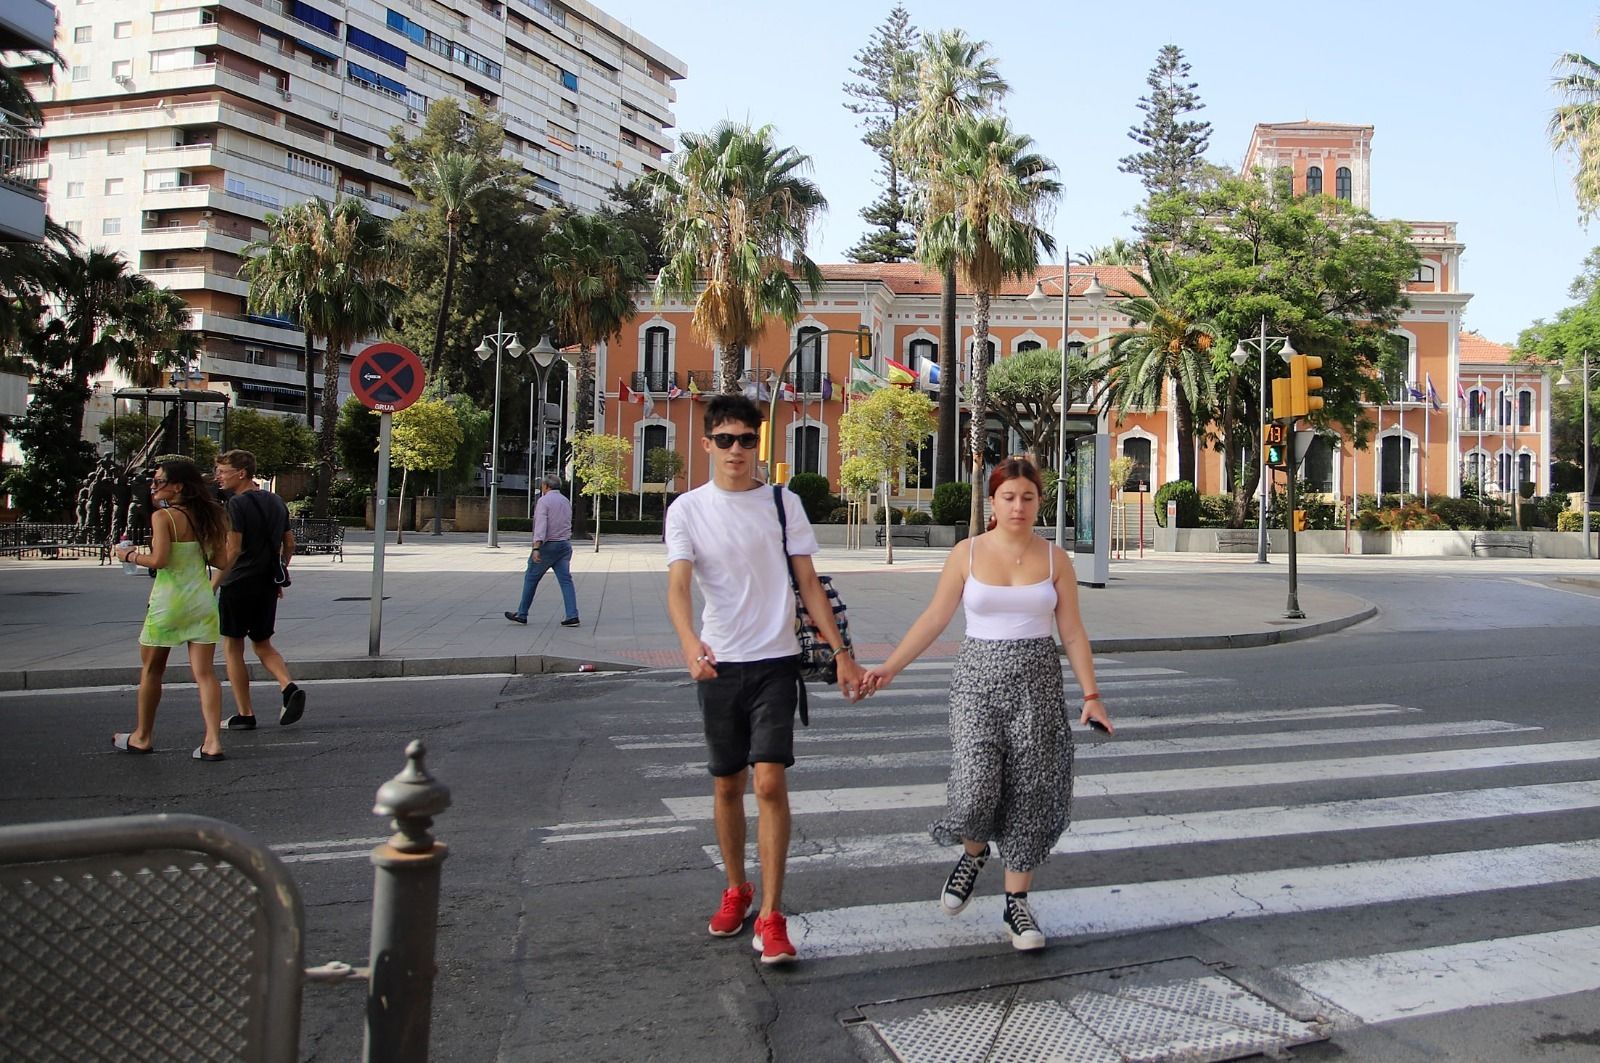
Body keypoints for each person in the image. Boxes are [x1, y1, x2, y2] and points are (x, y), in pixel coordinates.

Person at [861, 456, 1114, 952]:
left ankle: (1016, 904)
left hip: (1037, 686)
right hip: (976, 684)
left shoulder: (1055, 560)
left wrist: (1091, 696)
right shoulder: (967, 554)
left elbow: (1073, 631)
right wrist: (891, 667)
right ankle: (973, 854)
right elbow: (936, 617)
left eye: (1027, 497)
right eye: (1008, 497)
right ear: (992, 501)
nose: (1018, 506)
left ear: (1040, 501)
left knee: (1031, 793)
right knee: (977, 788)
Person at [666, 394, 865, 965]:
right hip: (720, 663)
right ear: (707, 444)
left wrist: (842, 653)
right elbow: (679, 585)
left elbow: (808, 583)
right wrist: (687, 644)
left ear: (760, 444)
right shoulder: (688, 509)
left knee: (770, 782)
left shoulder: (784, 504)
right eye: (725, 440)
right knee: (727, 783)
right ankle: (737, 889)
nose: (736, 450)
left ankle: (773, 916)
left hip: (776, 663)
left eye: (746, 440)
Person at [112, 458, 230, 761]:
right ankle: (213, 742)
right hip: (202, 602)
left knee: (152, 671)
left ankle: (142, 736)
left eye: (159, 481)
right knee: (205, 674)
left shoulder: (164, 517)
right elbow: (222, 561)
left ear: (178, 486)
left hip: (168, 603)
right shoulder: (212, 515)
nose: (154, 485)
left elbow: (160, 560)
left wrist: (129, 555)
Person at [211, 450, 305, 729]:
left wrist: (213, 584)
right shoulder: (277, 502)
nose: (219, 476)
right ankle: (287, 686)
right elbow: (289, 544)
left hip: (238, 583)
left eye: (223, 471)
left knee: (232, 647)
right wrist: (278, 572)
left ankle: (245, 714)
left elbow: (234, 548)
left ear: (241, 473)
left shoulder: (236, 505)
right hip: (266, 585)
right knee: (262, 643)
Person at [504, 475, 579, 627]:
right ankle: (572, 615)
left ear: (546, 486)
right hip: (564, 545)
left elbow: (541, 525)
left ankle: (522, 613)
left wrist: (536, 547)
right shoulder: (566, 501)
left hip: (548, 545)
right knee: (566, 581)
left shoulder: (544, 501)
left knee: (531, 577)